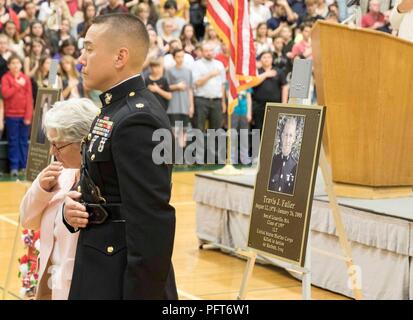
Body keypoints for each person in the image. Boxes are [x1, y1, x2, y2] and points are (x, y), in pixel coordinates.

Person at [62, 13, 178, 300]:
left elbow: (151, 224)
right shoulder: (114, 109)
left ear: (119, 57)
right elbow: (101, 181)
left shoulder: (137, 119)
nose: (81, 58)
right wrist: (73, 208)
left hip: (119, 277)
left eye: (89, 48)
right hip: (100, 262)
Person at [20, 98, 99, 300]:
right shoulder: (59, 173)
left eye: (58, 145)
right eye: (51, 143)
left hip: (79, 288)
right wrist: (40, 190)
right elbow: (26, 219)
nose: (52, 151)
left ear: (83, 141)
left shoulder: (103, 184)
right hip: (50, 285)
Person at [1, 54, 32, 177]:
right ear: (8, 65)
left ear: (21, 65)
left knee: (23, 141)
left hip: (24, 116)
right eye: (13, 63)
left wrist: (28, 116)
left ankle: (23, 166)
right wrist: (17, 84)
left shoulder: (26, 79)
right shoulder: (5, 78)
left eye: (17, 63)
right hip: (11, 116)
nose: (15, 65)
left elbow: (29, 98)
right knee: (13, 141)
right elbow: (5, 94)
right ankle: (13, 167)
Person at [192, 41, 226, 131]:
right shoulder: (196, 64)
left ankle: (213, 146)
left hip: (217, 101)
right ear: (202, 52)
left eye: (211, 50)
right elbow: (197, 82)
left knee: (216, 130)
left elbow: (222, 84)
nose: (209, 53)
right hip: (201, 100)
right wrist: (210, 74)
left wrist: (223, 102)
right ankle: (199, 146)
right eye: (206, 51)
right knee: (199, 129)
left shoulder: (219, 64)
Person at [268, 116, 299, 194]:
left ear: (294, 139)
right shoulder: (271, 161)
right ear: (282, 136)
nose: (287, 140)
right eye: (286, 135)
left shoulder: (296, 167)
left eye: (290, 135)